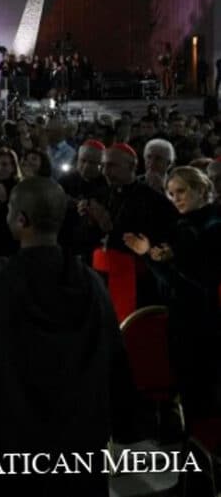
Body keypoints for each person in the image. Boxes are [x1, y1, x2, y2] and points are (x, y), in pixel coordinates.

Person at [0, 177, 141, 497]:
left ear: (21, 219)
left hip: (8, 453)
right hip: (77, 450)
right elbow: (115, 364)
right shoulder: (92, 287)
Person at [123, 166, 221, 419]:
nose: (176, 198)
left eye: (181, 191)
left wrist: (152, 258)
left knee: (202, 400)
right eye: (170, 193)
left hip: (202, 324)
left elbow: (187, 287)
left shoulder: (210, 228)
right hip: (189, 320)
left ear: (201, 190)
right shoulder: (186, 225)